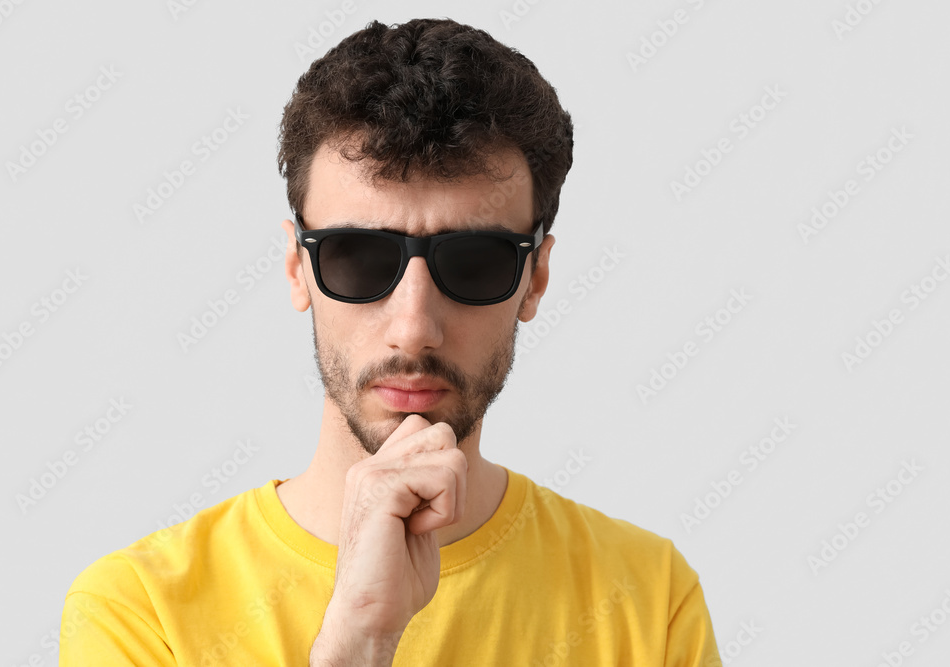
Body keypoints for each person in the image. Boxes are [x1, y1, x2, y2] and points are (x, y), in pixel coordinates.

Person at [60, 17, 722, 666]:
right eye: (357, 256)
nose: (414, 327)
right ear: (298, 269)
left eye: (475, 262)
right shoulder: (138, 612)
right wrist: (357, 641)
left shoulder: (649, 600)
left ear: (535, 278)